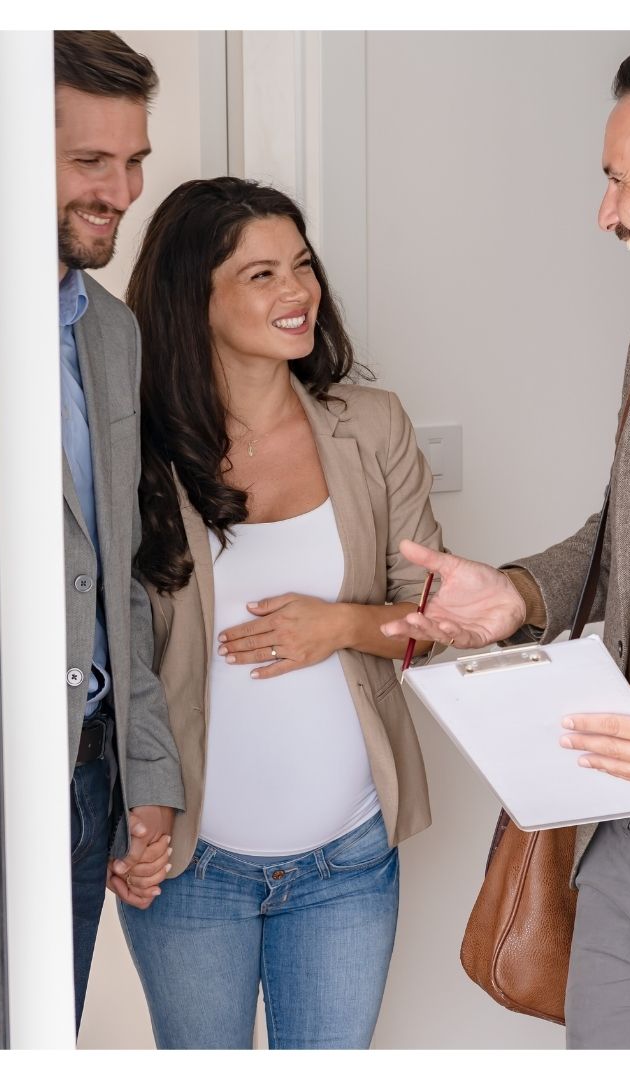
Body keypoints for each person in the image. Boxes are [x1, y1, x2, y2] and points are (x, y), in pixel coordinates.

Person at [382, 37, 630, 1049]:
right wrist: (516, 596)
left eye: (617, 181)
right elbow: (621, 539)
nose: (606, 214)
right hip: (620, 842)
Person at [115, 177, 442, 1049]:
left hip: (349, 859)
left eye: (302, 266)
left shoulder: (370, 426)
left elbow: (434, 616)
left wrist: (339, 626)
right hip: (190, 866)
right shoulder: (132, 448)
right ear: (196, 294)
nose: (296, 292)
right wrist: (126, 805)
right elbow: (103, 652)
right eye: (261, 275)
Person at [53, 30, 184, 1034]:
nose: (122, 190)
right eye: (90, 162)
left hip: (93, 772)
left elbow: (120, 576)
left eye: (134, 160)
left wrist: (147, 774)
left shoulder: (112, 329)